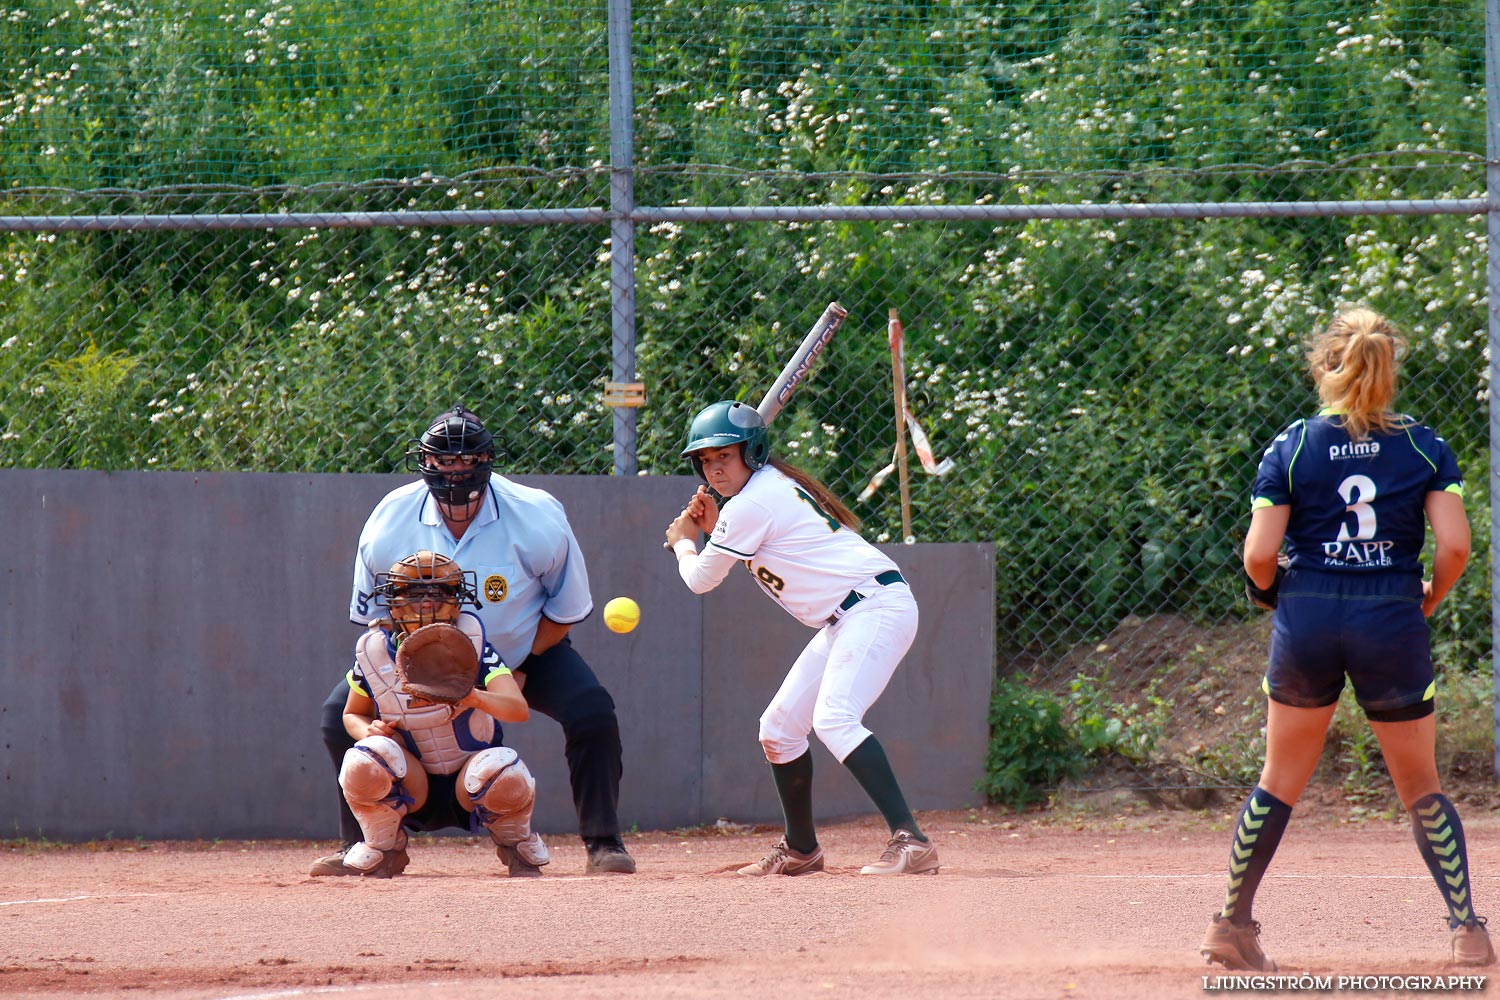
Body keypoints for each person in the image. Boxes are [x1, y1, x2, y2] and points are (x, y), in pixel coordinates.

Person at [1200, 307, 1493, 970]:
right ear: (1389, 372)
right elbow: (1455, 544)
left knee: (1278, 779)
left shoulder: (1293, 445)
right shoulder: (1422, 446)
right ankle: (1466, 931)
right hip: (1389, 614)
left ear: (1327, 365)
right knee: (1420, 783)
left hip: (1308, 616)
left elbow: (1259, 553)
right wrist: (1427, 599)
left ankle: (1230, 924)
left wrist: (1276, 599)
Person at [318, 405, 635, 875]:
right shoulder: (390, 519)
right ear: (425, 464)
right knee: (335, 717)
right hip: (420, 661)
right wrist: (396, 679)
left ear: (486, 462)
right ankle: (368, 846)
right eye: (444, 462)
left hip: (523, 648)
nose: (455, 473)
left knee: (592, 710)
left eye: (466, 462)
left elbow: (563, 612)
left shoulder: (536, 515)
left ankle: (604, 843)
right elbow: (378, 620)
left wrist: (518, 669)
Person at [663, 399, 938, 876]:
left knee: (834, 718)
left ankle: (912, 840)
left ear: (752, 454)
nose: (715, 468)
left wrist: (684, 541)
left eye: (725, 456)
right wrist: (713, 528)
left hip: (873, 607)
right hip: (848, 616)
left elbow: (700, 579)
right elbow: (767, 549)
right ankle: (801, 849)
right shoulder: (759, 495)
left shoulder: (750, 503)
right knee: (779, 728)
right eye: (707, 460)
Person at [310, 550, 550, 878]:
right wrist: (369, 731)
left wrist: (472, 696)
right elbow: (352, 714)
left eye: (438, 591)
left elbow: (517, 709)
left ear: (456, 599)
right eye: (412, 592)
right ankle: (385, 847)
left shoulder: (474, 646)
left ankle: (515, 843)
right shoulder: (374, 652)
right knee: (364, 760)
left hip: (470, 778)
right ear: (392, 600)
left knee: (503, 769)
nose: (425, 601)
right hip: (411, 783)